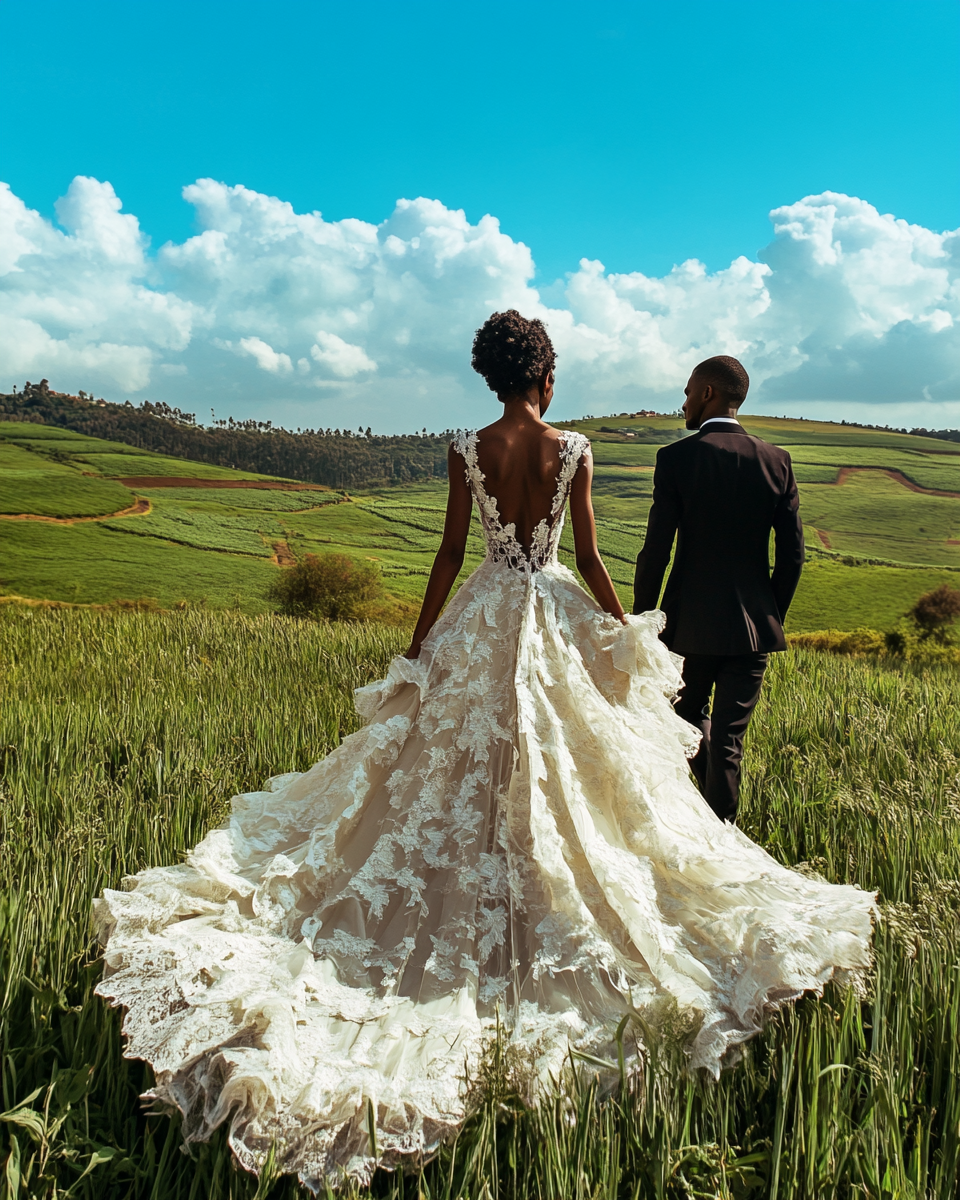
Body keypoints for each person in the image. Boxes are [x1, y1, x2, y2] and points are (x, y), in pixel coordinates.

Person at [94, 314, 873, 1191]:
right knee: (569, 766)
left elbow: (453, 550)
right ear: (543, 373)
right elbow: (582, 551)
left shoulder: (467, 447)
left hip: (484, 613)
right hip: (550, 611)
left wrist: (423, 643)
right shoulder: (573, 446)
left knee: (445, 767)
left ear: (490, 375)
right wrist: (619, 628)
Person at [634, 357, 804, 823]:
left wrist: (643, 619)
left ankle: (711, 835)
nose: (683, 400)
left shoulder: (676, 459)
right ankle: (724, 832)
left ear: (707, 393)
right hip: (755, 629)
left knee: (681, 718)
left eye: (688, 391)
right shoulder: (777, 461)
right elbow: (791, 558)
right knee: (728, 741)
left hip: (688, 626)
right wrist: (770, 614)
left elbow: (656, 553)